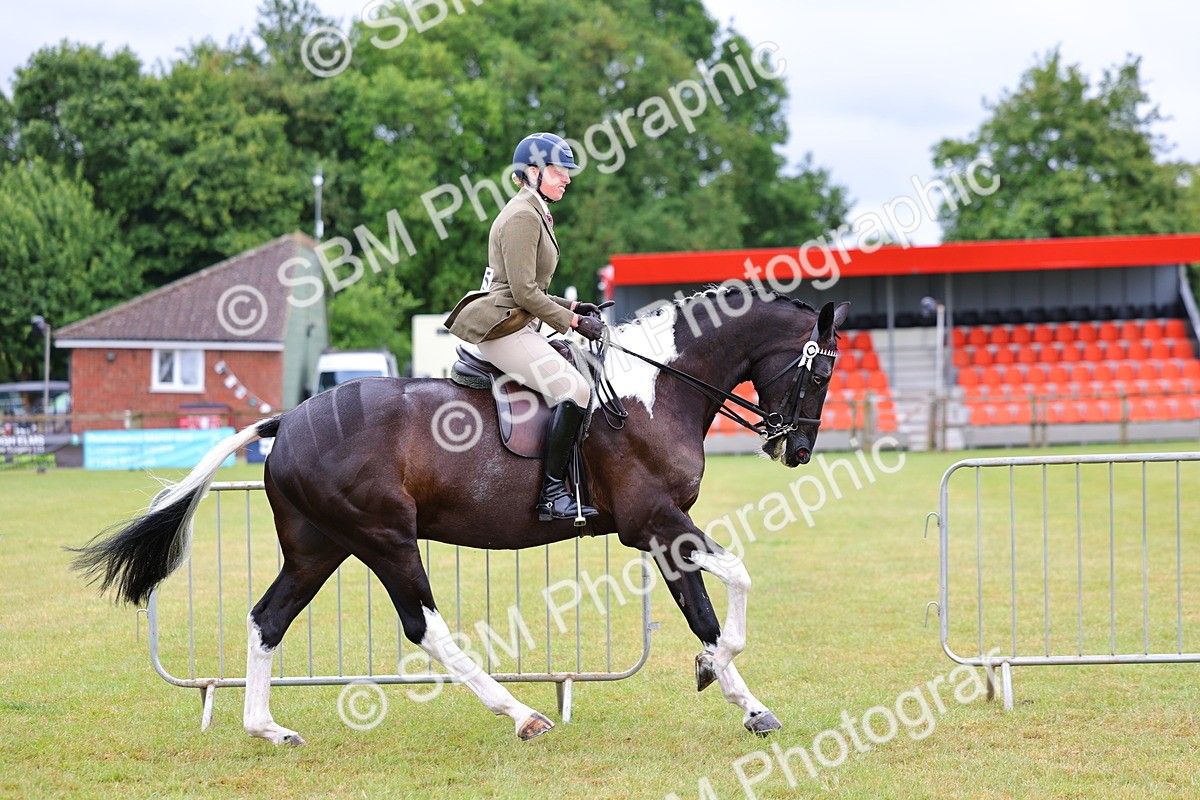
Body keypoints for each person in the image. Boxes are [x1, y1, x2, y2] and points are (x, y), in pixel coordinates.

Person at [445, 132, 605, 522]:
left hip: (522, 322)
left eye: (567, 172)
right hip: (504, 329)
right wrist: (573, 321)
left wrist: (572, 304)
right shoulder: (520, 216)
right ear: (532, 172)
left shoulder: (534, 210)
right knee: (576, 389)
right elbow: (523, 292)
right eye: (559, 171)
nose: (566, 178)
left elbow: (532, 290)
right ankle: (552, 495)